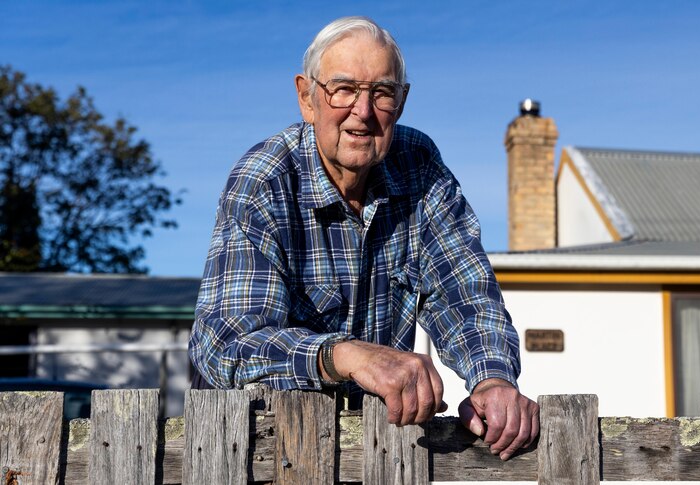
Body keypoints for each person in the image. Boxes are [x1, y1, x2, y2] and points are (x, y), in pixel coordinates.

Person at [188, 16, 538, 461]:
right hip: (255, 449)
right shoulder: (264, 181)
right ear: (306, 97)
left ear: (402, 101)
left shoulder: (420, 167)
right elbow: (227, 345)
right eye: (344, 89)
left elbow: (463, 295)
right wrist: (346, 356)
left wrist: (492, 380)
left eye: (382, 93)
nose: (364, 112)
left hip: (378, 448)